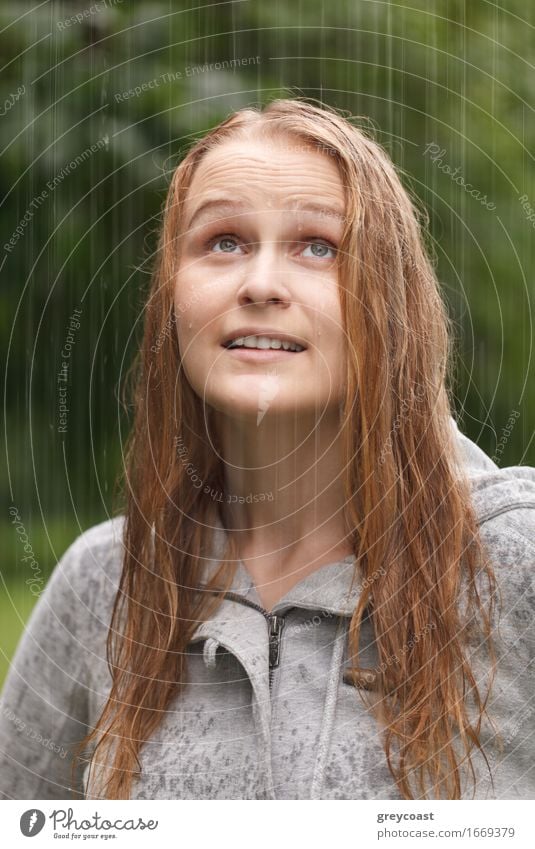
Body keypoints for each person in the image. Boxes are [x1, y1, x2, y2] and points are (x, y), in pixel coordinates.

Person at [1, 98, 534, 801]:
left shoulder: (514, 560)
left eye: (318, 245)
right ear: (171, 295)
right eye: (223, 241)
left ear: (391, 300)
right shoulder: (102, 585)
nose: (258, 284)